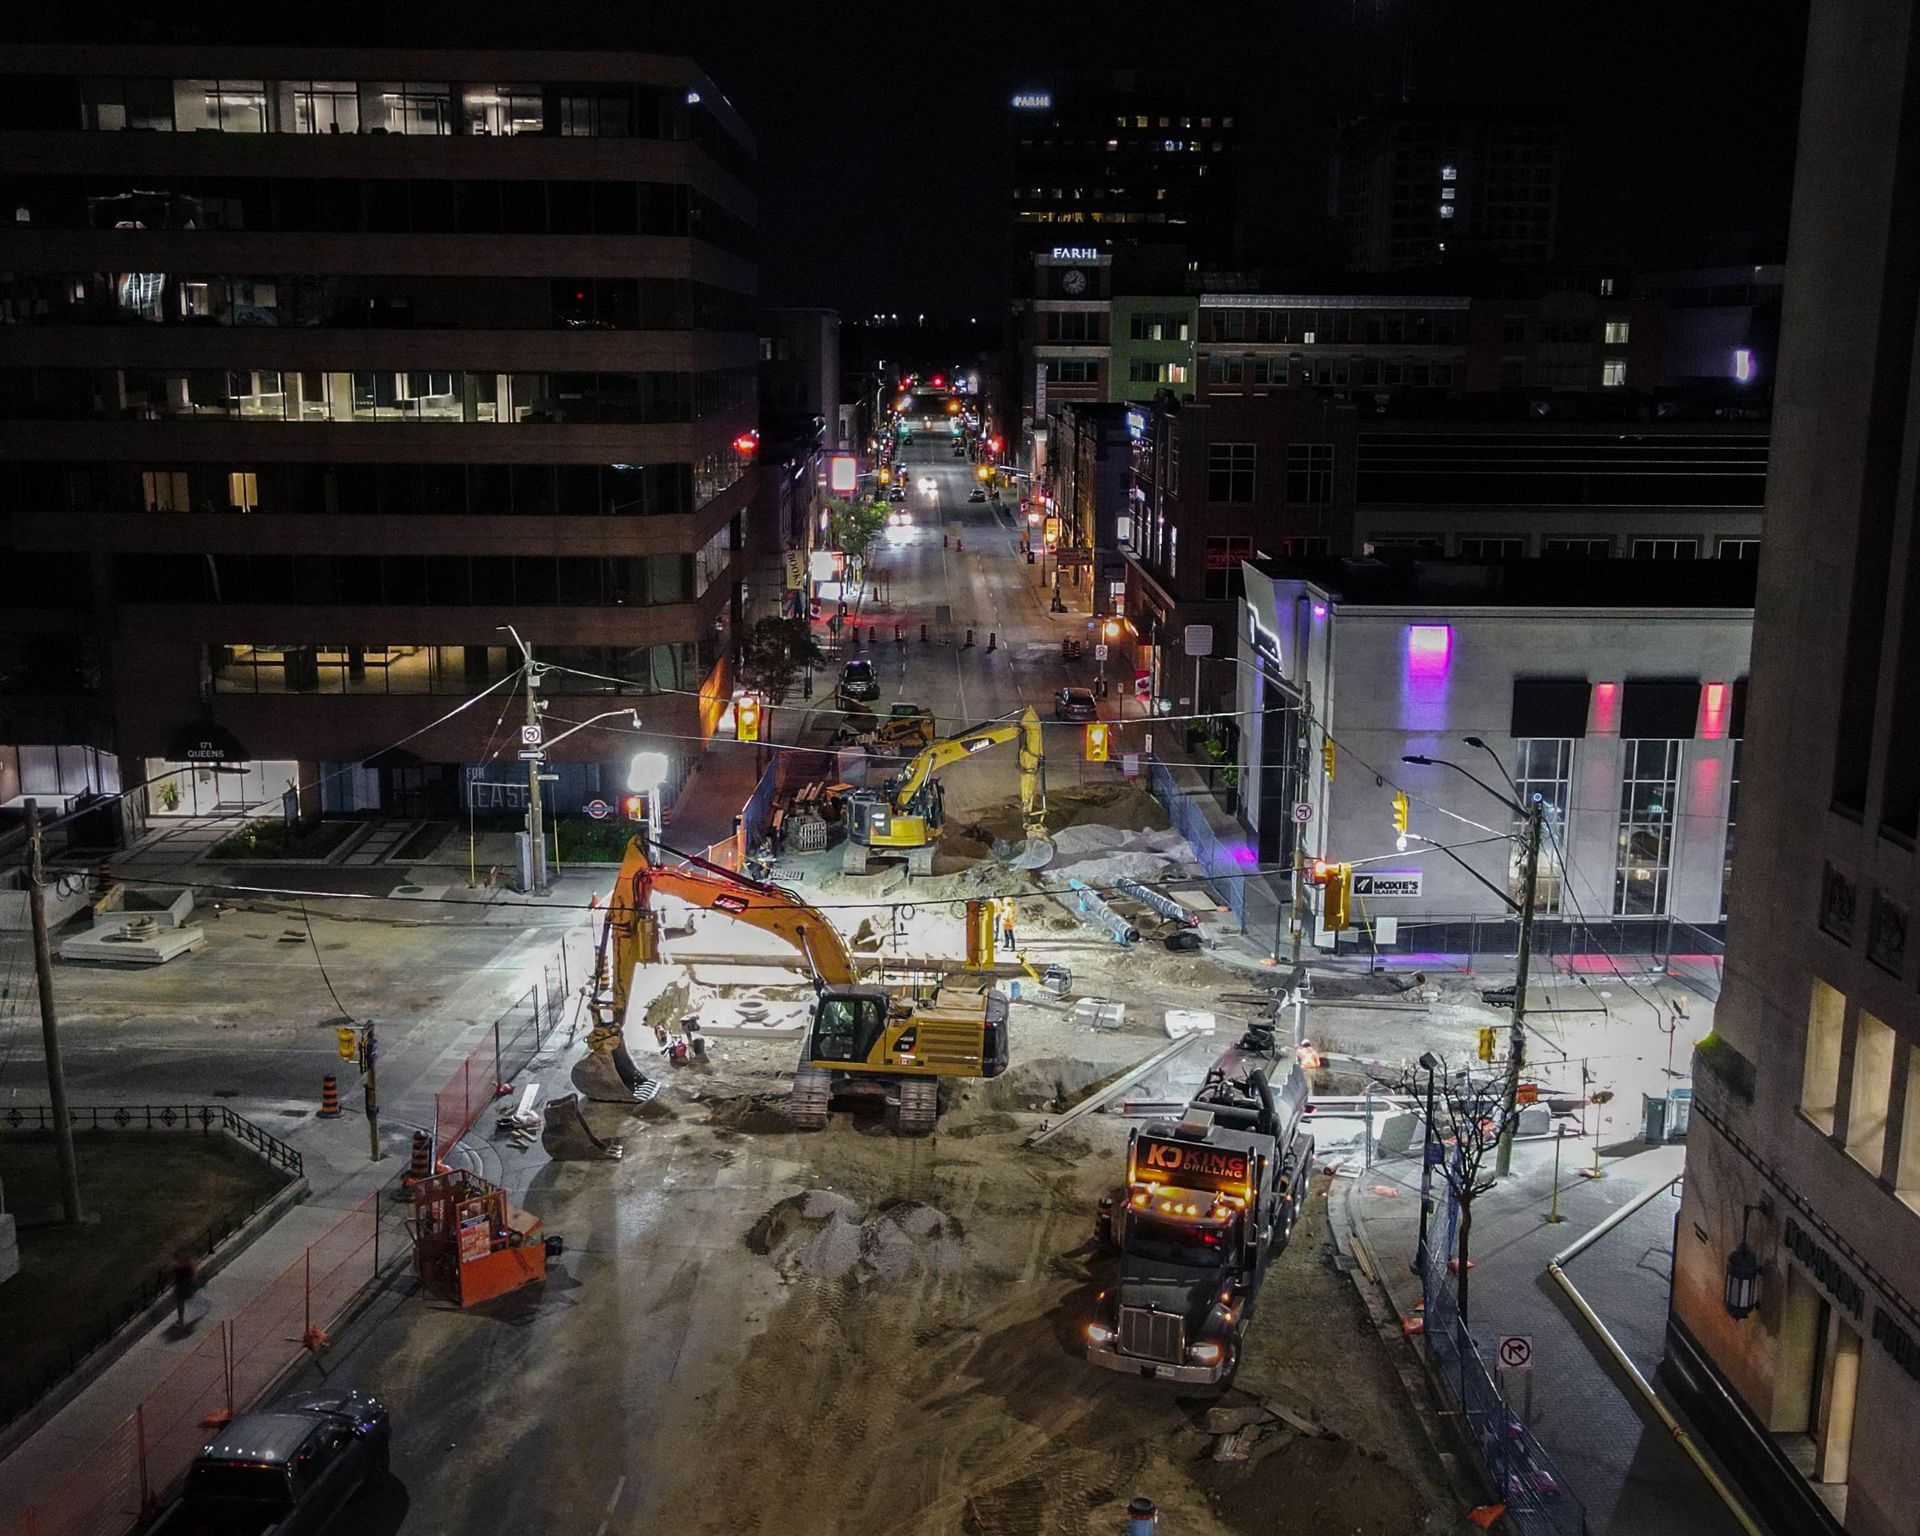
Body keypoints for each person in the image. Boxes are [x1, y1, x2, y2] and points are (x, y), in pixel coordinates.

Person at [170, 1248, 199, 1327]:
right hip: (182, 1284)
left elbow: (193, 1271)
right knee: (180, 1301)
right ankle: (180, 1319)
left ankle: (181, 1319)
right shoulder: (183, 1263)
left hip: (185, 1284)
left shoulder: (186, 1263)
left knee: (181, 1301)